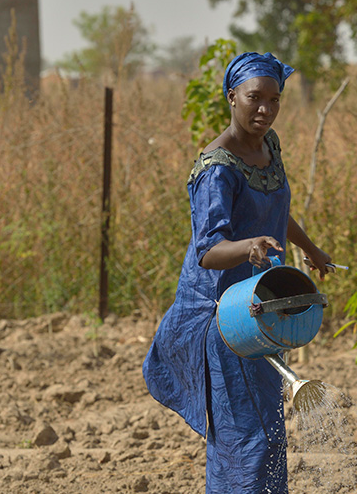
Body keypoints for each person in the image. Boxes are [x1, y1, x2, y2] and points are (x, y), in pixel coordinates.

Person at [143, 51, 332, 493]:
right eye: (254, 98)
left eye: (274, 99)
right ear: (232, 97)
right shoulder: (216, 169)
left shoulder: (270, 145)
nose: (264, 109)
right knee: (243, 436)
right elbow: (208, 250)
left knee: (268, 429)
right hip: (225, 315)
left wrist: (310, 248)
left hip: (261, 304)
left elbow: (273, 206)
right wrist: (248, 245)